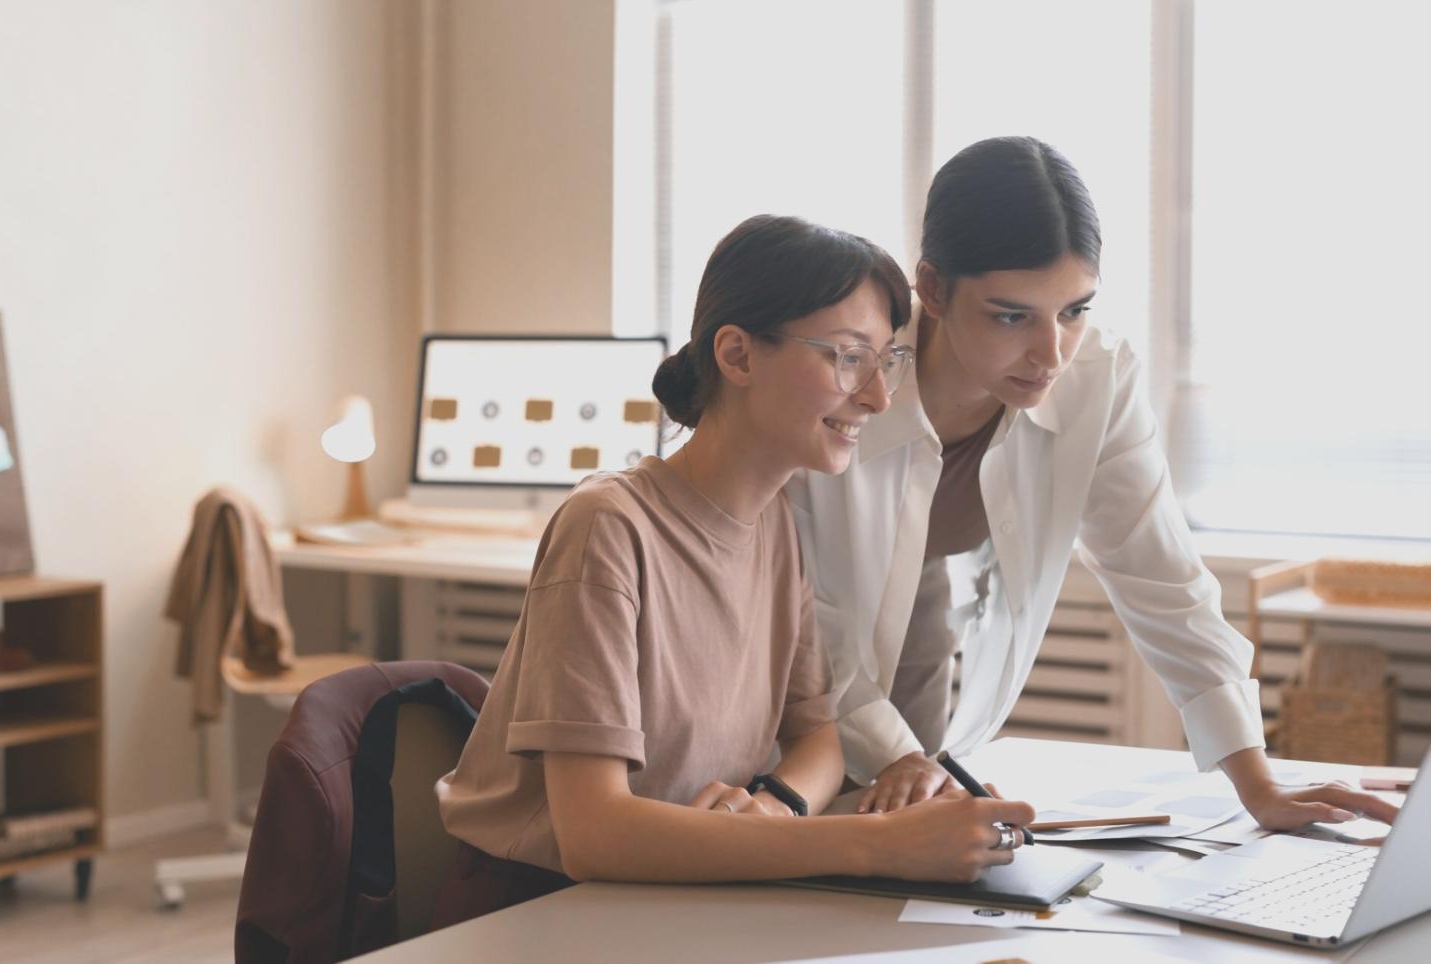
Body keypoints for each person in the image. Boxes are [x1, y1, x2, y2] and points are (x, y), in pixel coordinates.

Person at [432, 214, 1036, 930]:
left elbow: (818, 735)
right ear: (738, 356)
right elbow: (593, 834)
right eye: (849, 358)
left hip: (681, 894)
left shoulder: (775, 524)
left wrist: (775, 806)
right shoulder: (608, 527)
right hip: (539, 910)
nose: (877, 397)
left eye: (885, 361)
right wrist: (879, 845)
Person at [787, 136, 1400, 830]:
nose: (1050, 355)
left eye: (1074, 311)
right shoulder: (846, 381)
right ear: (930, 288)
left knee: (909, 841)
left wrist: (1259, 786)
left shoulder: (1095, 379)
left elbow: (1162, 579)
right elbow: (811, 622)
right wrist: (899, 758)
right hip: (782, 654)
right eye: (1011, 315)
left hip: (916, 629)